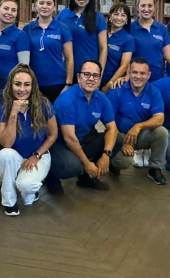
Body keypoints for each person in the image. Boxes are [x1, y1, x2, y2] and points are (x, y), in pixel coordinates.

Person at [47, 60, 120, 194]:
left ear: (99, 79)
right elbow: (69, 138)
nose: (91, 79)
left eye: (95, 75)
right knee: (72, 166)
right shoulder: (67, 100)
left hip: (82, 139)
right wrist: (87, 164)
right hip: (59, 144)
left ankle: (87, 178)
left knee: (117, 139)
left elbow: (112, 128)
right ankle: (52, 176)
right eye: (86, 74)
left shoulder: (101, 98)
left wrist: (106, 155)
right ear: (78, 77)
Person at [0, 64, 57, 216]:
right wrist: (14, 111)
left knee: (26, 186)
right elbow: (6, 143)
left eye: (26, 84)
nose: (22, 89)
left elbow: (53, 135)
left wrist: (36, 155)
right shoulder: (1, 107)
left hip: (38, 155)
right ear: (10, 85)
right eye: (17, 84)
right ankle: (9, 202)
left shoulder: (44, 104)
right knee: (5, 154)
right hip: (15, 156)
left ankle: (26, 188)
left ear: (32, 86)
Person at [107, 57, 169, 185]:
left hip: (141, 135)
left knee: (161, 132)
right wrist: (123, 142)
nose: (138, 76)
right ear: (128, 73)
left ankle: (155, 168)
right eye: (134, 72)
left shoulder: (154, 92)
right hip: (119, 135)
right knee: (123, 163)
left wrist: (139, 126)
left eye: (142, 73)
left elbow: (159, 118)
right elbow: (109, 122)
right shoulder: (116, 90)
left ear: (148, 75)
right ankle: (112, 163)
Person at [23, 0, 74, 102]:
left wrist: (68, 83)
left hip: (57, 83)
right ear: (36, 6)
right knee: (36, 117)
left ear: (54, 7)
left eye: (48, 3)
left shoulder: (63, 28)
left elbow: (69, 58)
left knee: (56, 118)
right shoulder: (27, 29)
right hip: (33, 83)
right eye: (41, 3)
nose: (45, 6)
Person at [57, 0, 107, 78]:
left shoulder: (98, 17)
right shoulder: (63, 14)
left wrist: (99, 73)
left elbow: (103, 48)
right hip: (64, 70)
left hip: (88, 73)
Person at [130, 0, 170, 82]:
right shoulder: (130, 28)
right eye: (143, 6)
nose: (146, 9)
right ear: (137, 7)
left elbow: (168, 55)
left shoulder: (162, 28)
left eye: (150, 6)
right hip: (136, 78)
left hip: (157, 78)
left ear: (154, 8)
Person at [101, 3, 135, 91]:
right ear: (110, 17)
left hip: (112, 83)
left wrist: (108, 86)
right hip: (93, 79)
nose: (119, 18)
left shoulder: (128, 39)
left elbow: (124, 66)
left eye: (123, 15)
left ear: (127, 20)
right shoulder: (101, 33)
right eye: (116, 14)